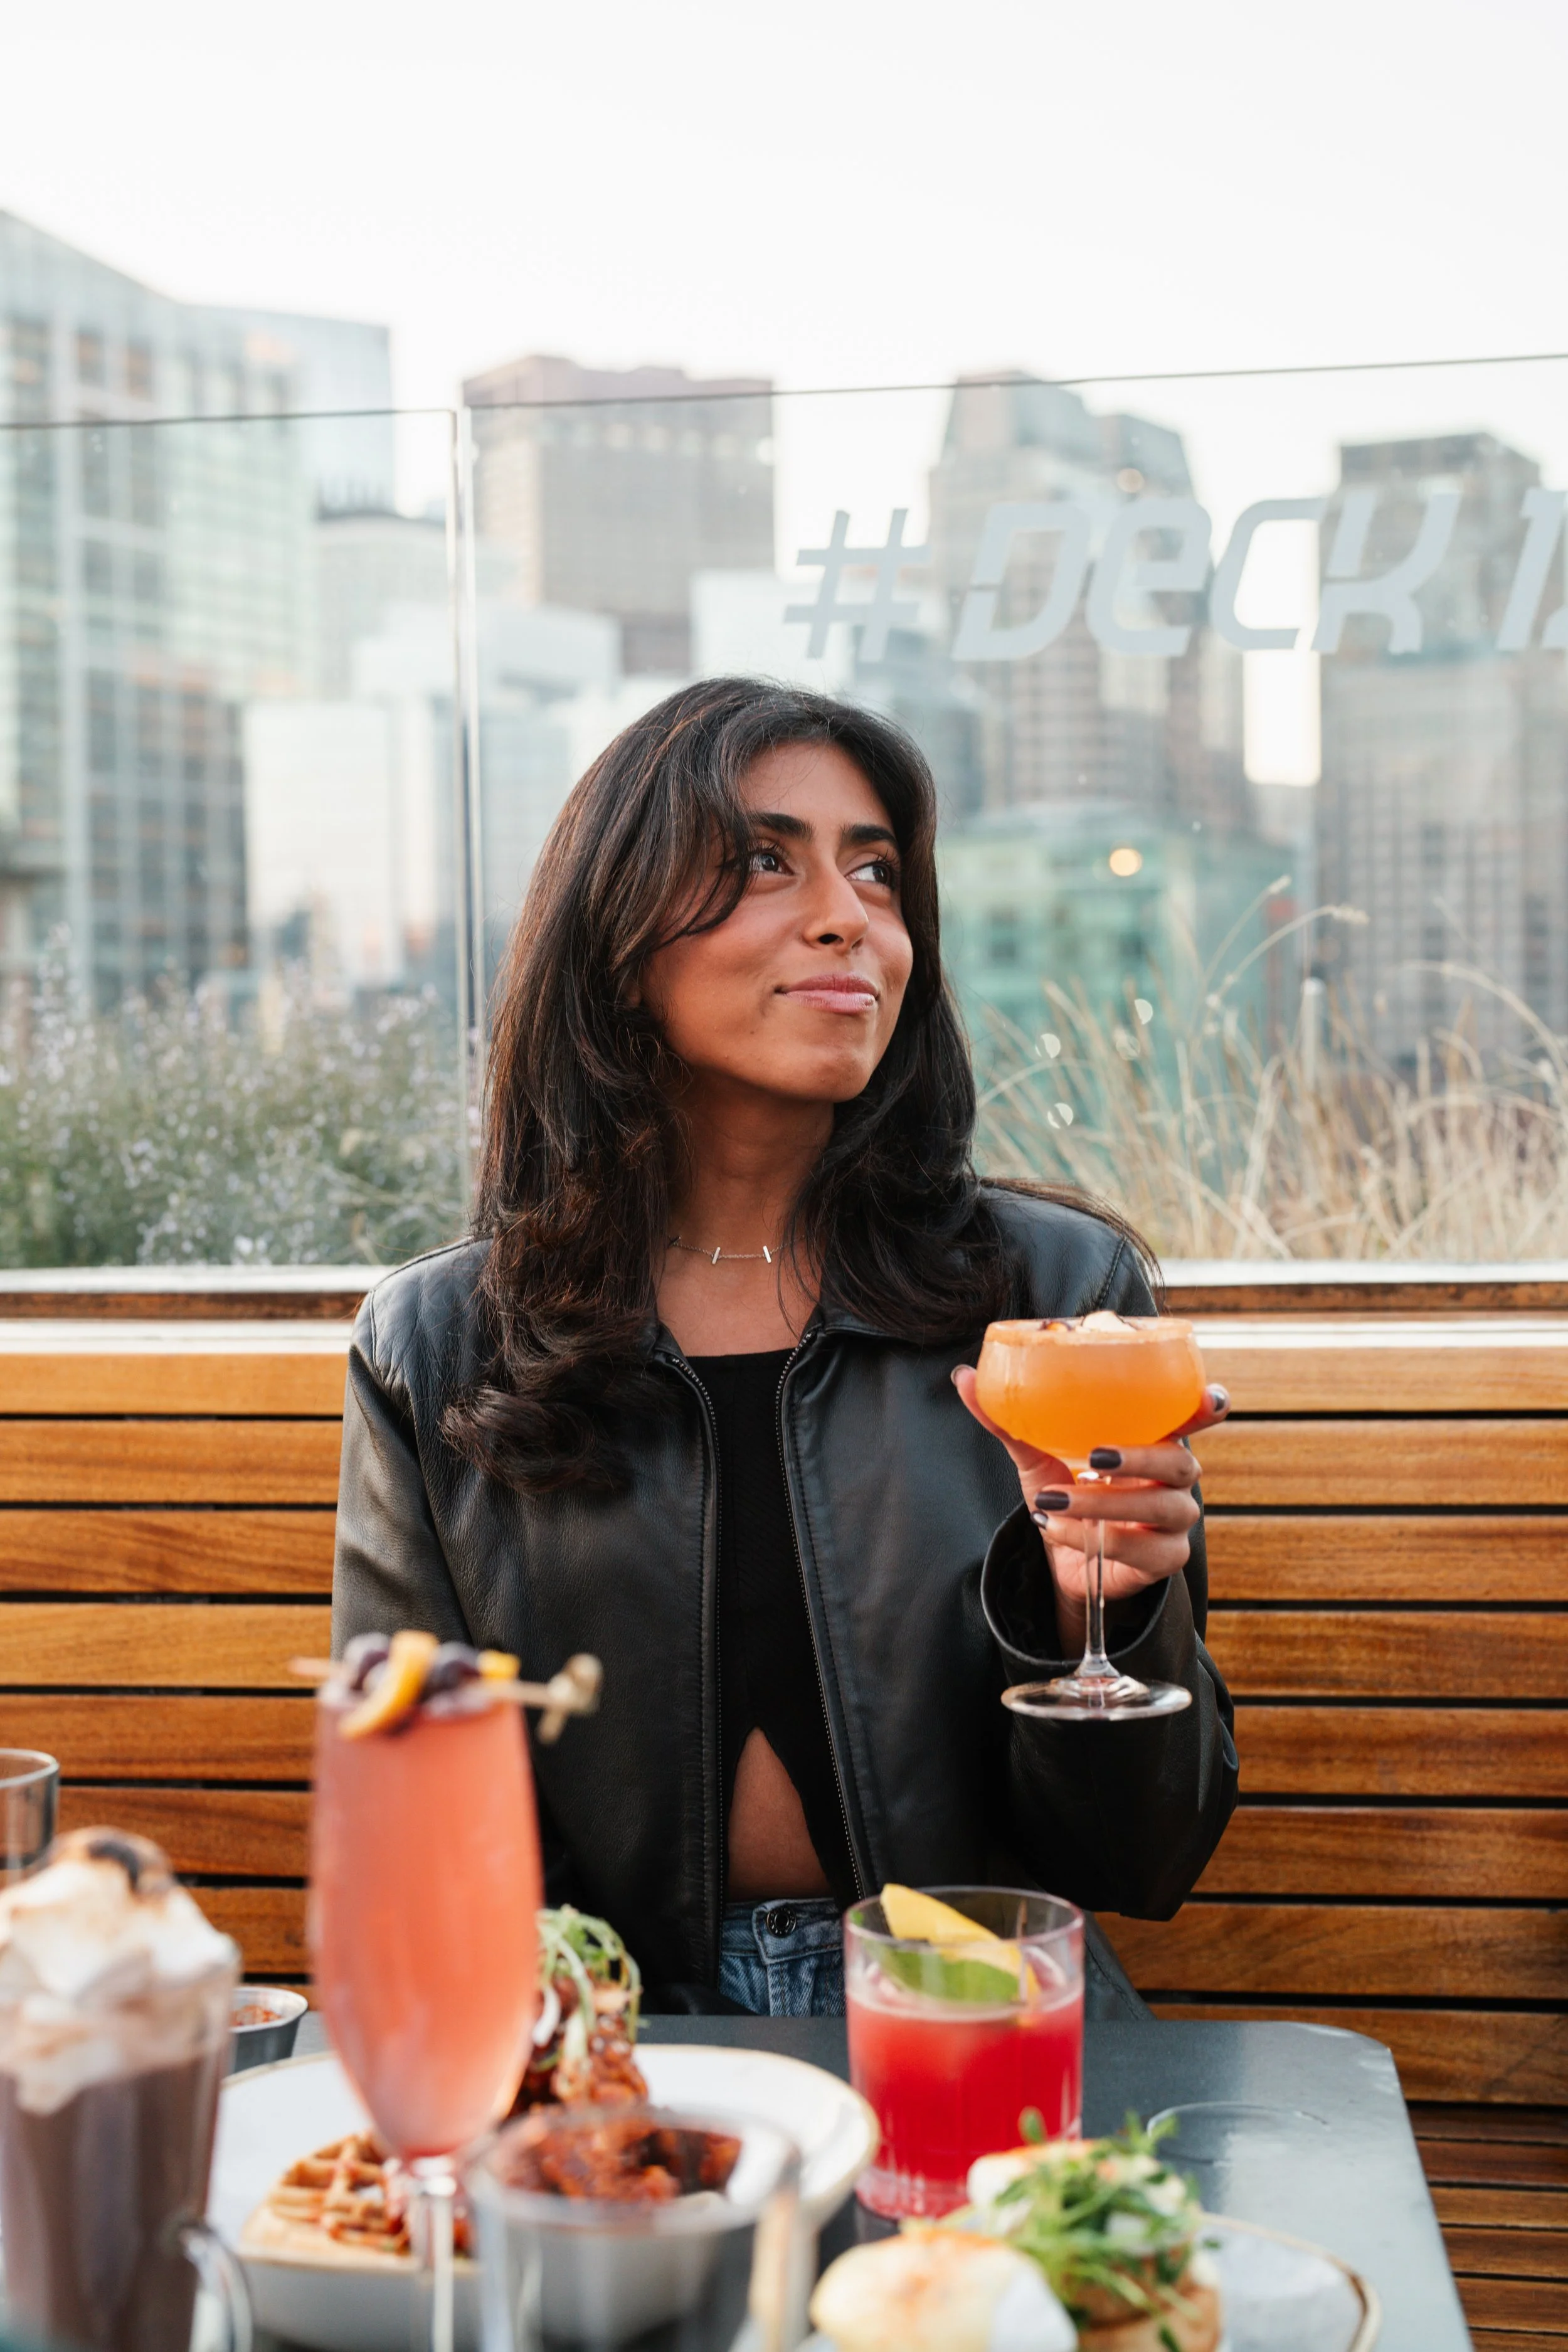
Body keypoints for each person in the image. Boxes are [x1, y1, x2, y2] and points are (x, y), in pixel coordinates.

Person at [333, 678, 1237, 2017]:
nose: (845, 917)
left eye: (875, 874)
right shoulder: (442, 1341)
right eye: (765, 860)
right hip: (610, 2039)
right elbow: (405, 1819)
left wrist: (1090, 1607)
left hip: (978, 2010)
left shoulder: (1052, 1300)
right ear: (618, 934)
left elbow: (1144, 1855)